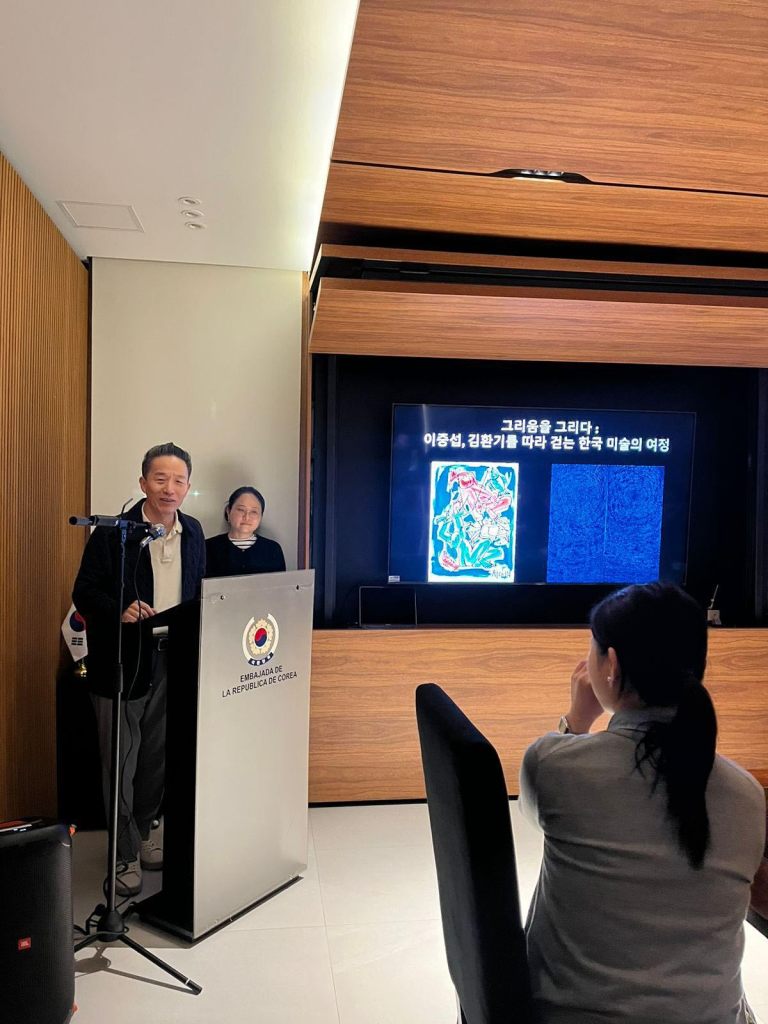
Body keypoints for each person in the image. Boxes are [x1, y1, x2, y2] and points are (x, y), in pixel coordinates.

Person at [520, 582, 766, 1024]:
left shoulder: (553, 765)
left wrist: (576, 722)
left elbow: (532, 811)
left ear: (611, 666)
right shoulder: (747, 795)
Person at [73, 442, 205, 896]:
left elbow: (197, 588)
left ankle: (145, 831)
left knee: (156, 758)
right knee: (121, 761)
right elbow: (84, 592)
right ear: (143, 482)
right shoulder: (114, 534)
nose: (170, 488)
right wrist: (119, 610)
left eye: (179, 481)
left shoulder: (193, 531)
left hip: (174, 657)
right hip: (123, 661)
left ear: (188, 486)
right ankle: (124, 853)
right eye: (161, 479)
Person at [205, 485, 285, 578]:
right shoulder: (207, 548)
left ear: (261, 516)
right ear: (228, 511)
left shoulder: (272, 549)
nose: (247, 517)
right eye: (241, 510)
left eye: (254, 512)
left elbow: (280, 585)